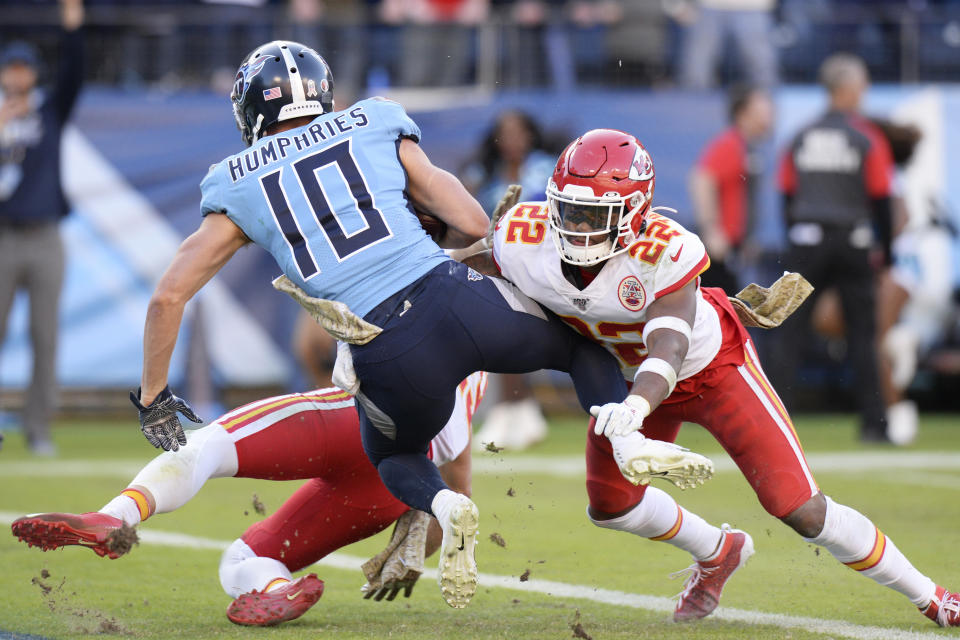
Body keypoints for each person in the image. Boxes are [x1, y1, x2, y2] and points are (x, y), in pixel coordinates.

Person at [126, 40, 706, 610]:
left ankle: (443, 506)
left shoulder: (236, 177)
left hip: (382, 347)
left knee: (395, 459)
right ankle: (624, 434)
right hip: (456, 296)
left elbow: (167, 297)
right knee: (581, 351)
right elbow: (451, 201)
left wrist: (153, 398)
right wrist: (488, 247)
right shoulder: (371, 120)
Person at [461, 128, 959, 626]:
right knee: (610, 505)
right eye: (568, 209)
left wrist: (634, 408)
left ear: (635, 213)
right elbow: (455, 273)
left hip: (710, 371)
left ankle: (932, 596)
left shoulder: (666, 248)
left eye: (594, 216)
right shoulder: (522, 238)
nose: (576, 227)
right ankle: (718, 551)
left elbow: (669, 344)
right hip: (628, 380)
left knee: (799, 508)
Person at [13, 372, 487, 627]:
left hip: (350, 421)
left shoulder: (413, 275)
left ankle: (113, 516)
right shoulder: (480, 361)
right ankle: (273, 589)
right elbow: (458, 489)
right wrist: (420, 550)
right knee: (242, 559)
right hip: (393, 481)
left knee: (205, 447)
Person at [773, 53, 895, 443]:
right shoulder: (866, 137)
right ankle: (874, 425)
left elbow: (786, 195)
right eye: (860, 86)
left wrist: (797, 234)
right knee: (863, 334)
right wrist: (887, 253)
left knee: (788, 331)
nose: (864, 94)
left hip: (807, 240)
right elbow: (881, 198)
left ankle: (772, 423)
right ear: (846, 88)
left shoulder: (801, 136)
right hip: (854, 240)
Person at [0, 0, 84, 457]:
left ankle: (37, 427)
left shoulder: (48, 114)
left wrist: (72, 25)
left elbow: (75, 70)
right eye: (10, 69)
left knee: (44, 335)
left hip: (46, 237)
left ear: (32, 74)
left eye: (23, 69)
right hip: (4, 238)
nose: (16, 77)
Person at [461, 110, 558, 450]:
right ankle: (519, 411)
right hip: (495, 265)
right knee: (502, 335)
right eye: (505, 132)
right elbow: (464, 208)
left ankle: (512, 410)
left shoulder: (546, 167)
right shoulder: (484, 172)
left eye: (519, 131)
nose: (513, 139)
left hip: (539, 262)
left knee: (508, 333)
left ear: (530, 135)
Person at [688, 85, 773, 293]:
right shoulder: (729, 144)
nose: (769, 119)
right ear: (742, 114)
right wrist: (711, 229)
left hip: (731, 247)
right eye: (762, 112)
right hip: (717, 248)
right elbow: (701, 180)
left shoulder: (747, 147)